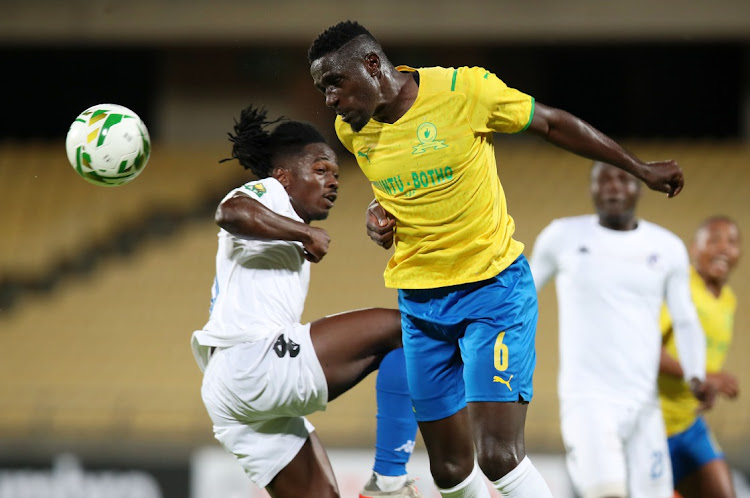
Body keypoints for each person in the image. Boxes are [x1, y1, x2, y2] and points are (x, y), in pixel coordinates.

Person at [308, 20, 688, 498]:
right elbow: (393, 191)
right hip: (420, 307)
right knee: (448, 469)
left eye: (334, 84)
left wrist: (639, 168)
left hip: (492, 293)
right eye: (323, 90)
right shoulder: (352, 130)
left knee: (498, 458)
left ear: (371, 65)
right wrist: (375, 217)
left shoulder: (464, 90)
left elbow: (551, 123)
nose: (330, 101)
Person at [190, 105, 422, 498]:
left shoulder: (278, 218)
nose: (332, 181)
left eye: (335, 174)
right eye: (320, 170)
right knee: (405, 329)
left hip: (230, 388)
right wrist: (304, 234)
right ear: (283, 175)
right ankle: (389, 481)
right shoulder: (271, 193)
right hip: (251, 363)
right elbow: (229, 211)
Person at [529, 161, 715, 498]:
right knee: (607, 494)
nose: (612, 186)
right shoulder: (562, 236)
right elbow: (522, 294)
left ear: (640, 187)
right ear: (592, 189)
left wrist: (696, 375)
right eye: (603, 179)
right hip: (588, 401)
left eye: (622, 179)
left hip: (645, 405)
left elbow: (685, 319)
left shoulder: (667, 247)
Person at [658, 216, 742, 498]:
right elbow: (649, 352)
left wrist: (705, 386)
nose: (723, 248)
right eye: (714, 239)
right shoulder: (680, 289)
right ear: (694, 248)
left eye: (732, 241)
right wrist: (702, 376)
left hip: (689, 425)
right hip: (652, 427)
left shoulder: (728, 299)